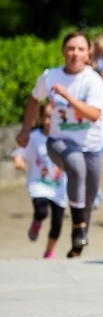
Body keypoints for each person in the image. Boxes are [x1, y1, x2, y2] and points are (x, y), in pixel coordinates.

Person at [16, 32, 103, 259]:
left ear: (89, 54)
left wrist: (68, 97)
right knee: (75, 165)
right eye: (70, 48)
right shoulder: (51, 76)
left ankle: (77, 245)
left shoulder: (93, 80)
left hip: (91, 147)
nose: (75, 53)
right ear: (63, 51)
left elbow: (94, 114)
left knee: (88, 200)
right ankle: (77, 226)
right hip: (59, 142)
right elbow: (35, 99)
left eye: (80, 49)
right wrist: (26, 129)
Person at [12, 104, 67, 259]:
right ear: (42, 118)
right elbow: (19, 151)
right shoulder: (34, 136)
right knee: (42, 210)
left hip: (59, 187)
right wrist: (18, 160)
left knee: (57, 222)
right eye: (48, 117)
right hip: (39, 184)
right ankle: (37, 221)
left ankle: (49, 251)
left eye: (54, 117)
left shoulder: (65, 138)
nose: (50, 121)